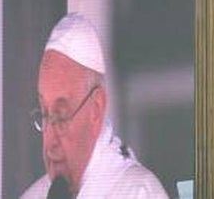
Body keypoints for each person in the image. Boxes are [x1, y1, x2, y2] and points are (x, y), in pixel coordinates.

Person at [20, 13, 168, 199]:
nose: (50, 145)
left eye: (61, 117)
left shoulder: (138, 192)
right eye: (44, 114)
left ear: (96, 109)